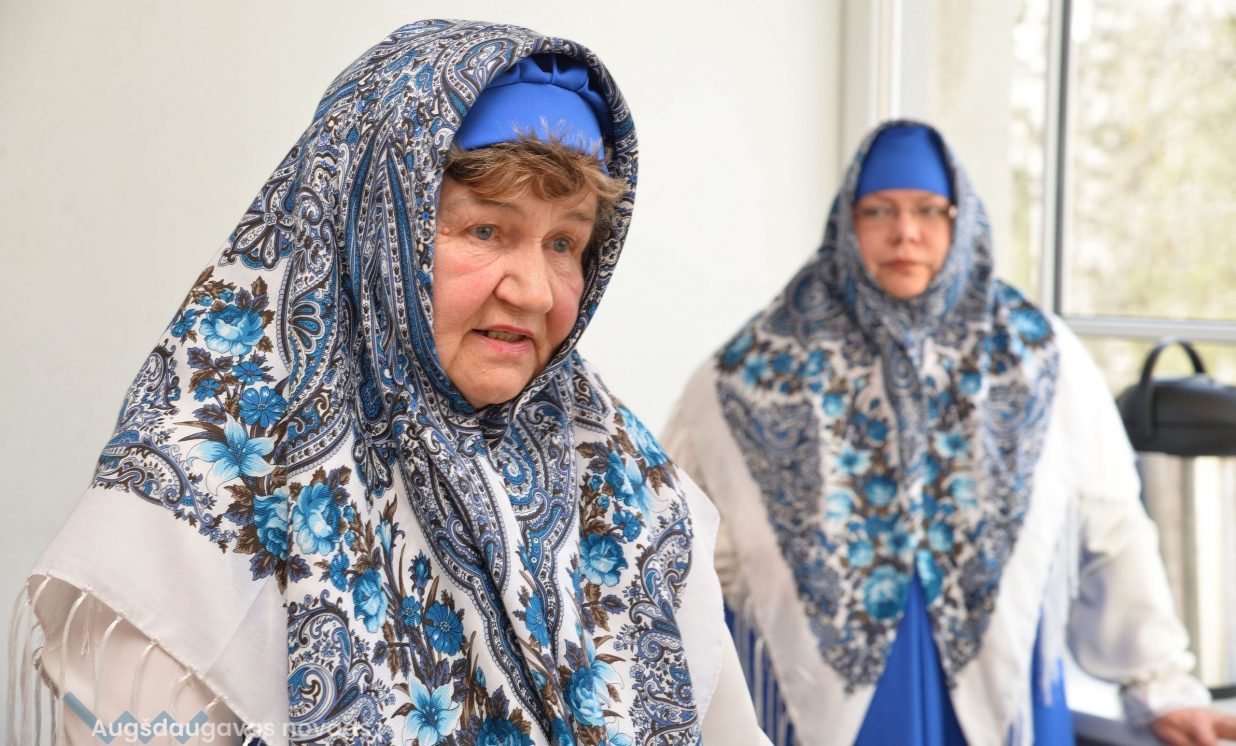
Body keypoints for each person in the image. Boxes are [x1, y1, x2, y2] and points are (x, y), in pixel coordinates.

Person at [8, 20, 767, 745]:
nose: (536, 291)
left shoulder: (623, 483)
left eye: (565, 243)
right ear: (370, 227)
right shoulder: (192, 513)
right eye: (485, 230)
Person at [662, 121, 1236, 745]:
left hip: (1005, 692)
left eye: (929, 210)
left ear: (961, 221)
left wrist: (1160, 685)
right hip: (822, 706)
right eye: (878, 210)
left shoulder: (1037, 357)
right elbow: (678, 542)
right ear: (846, 224)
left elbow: (1110, 526)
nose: (905, 232)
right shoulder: (750, 371)